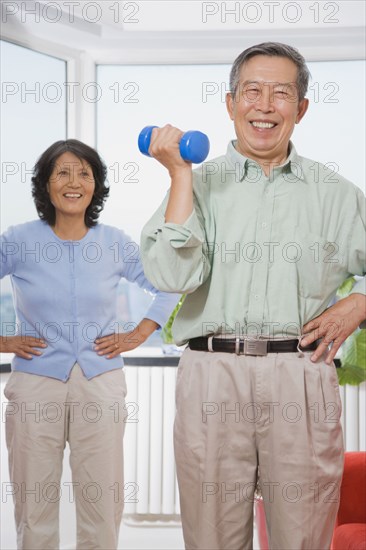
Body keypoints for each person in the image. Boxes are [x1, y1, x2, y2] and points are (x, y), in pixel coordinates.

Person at [140, 43, 366, 549]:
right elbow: (172, 274)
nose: (265, 106)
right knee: (212, 538)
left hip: (300, 376)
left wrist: (361, 301)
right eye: (252, 91)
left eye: (281, 93)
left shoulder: (336, 193)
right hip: (212, 377)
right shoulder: (196, 185)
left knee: (304, 537)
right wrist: (180, 175)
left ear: (301, 108)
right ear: (230, 103)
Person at [0, 139, 179, 550]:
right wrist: (3, 340)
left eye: (84, 173)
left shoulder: (115, 242)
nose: (74, 181)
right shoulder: (18, 240)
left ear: (96, 185)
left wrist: (139, 332)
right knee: (35, 503)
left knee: (101, 501)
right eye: (62, 172)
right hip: (35, 386)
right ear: (45, 184)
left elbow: (167, 284)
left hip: (100, 384)